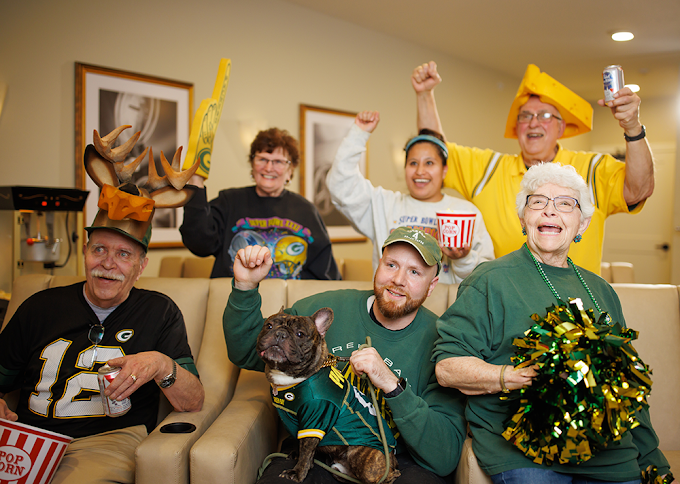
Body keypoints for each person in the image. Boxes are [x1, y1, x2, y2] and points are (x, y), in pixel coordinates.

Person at [433, 162, 672, 483]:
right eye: (538, 201)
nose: (550, 210)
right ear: (523, 218)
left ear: (582, 224)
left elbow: (627, 386)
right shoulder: (489, 280)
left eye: (565, 203)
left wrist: (654, 462)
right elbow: (447, 368)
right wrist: (518, 376)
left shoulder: (601, 290)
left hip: (607, 452)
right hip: (523, 448)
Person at [0, 127, 204, 484]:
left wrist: (160, 363)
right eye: (99, 250)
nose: (108, 263)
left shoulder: (160, 312)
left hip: (105, 443)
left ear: (141, 266)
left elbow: (192, 401)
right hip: (28, 438)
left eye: (124, 254)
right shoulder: (39, 306)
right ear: (85, 253)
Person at [224, 227, 466, 483]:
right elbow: (246, 352)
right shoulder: (320, 309)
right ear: (379, 264)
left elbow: (444, 456)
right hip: (313, 451)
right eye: (391, 265)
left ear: (432, 285)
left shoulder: (443, 342)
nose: (398, 279)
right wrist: (245, 286)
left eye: (414, 272)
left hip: (395, 460)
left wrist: (393, 386)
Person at [412, 61, 654, 275]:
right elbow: (434, 150)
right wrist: (424, 95)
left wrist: (633, 128)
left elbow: (639, 190)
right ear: (516, 127)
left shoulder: (592, 169)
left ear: (561, 128)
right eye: (525, 116)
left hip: (575, 306)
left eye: (545, 116)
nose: (533, 123)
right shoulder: (488, 169)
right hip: (505, 303)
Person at [327, 110, 494, 284]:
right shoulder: (384, 204)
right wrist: (358, 134)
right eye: (413, 163)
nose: (420, 171)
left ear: (444, 170)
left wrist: (463, 259)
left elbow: (486, 278)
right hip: (390, 299)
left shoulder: (466, 212)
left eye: (429, 163)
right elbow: (340, 186)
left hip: (447, 301)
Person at [180, 127, 341, 280]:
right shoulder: (229, 201)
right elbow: (199, 244)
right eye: (262, 159)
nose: (269, 168)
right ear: (252, 164)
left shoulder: (306, 210)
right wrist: (196, 183)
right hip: (235, 296)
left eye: (278, 161)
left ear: (290, 170)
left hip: (290, 299)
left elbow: (326, 272)